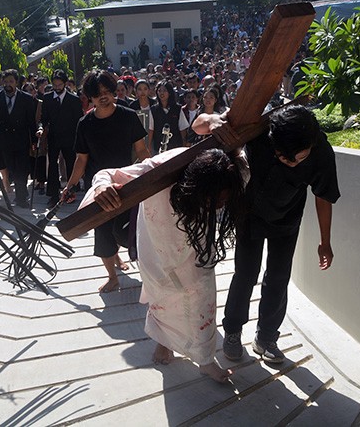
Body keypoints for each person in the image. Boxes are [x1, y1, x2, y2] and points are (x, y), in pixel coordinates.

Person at [82, 148, 246, 382]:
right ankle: (164, 342)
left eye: (223, 200)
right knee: (161, 299)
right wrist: (101, 187)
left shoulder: (227, 170)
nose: (219, 205)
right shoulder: (160, 169)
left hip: (196, 245)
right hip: (157, 244)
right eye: (215, 200)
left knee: (204, 303)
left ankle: (206, 360)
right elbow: (107, 174)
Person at [194, 104, 340, 364]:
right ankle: (233, 331)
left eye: (298, 158)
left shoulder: (321, 154)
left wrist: (325, 242)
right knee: (246, 273)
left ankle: (267, 337)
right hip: (249, 212)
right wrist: (215, 120)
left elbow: (323, 196)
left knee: (278, 277)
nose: (291, 162)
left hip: (287, 218)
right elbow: (200, 125)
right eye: (284, 157)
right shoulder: (259, 131)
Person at [61, 70, 150, 292]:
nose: (104, 96)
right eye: (98, 93)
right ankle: (112, 276)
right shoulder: (85, 124)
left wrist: (153, 173)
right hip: (99, 189)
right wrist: (70, 186)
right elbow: (81, 160)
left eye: (107, 91)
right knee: (102, 231)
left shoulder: (129, 116)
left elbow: (141, 151)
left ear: (114, 91)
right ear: (89, 97)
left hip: (126, 183)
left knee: (127, 228)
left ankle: (130, 262)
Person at [0, 69, 38, 208]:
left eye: (11, 81)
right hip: (5, 141)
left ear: (16, 82)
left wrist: (34, 141)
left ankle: (21, 197)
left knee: (21, 170)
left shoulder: (26, 99)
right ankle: (21, 192)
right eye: (5, 82)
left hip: (21, 140)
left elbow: (31, 122)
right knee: (11, 168)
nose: (8, 84)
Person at [40, 70, 84, 209]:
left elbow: (79, 120)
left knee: (71, 163)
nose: (57, 87)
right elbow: (43, 118)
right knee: (52, 164)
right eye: (55, 85)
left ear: (65, 84)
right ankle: (53, 194)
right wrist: (41, 129)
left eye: (60, 85)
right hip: (53, 136)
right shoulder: (47, 98)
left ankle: (70, 192)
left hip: (70, 137)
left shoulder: (74, 99)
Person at [147, 80, 189, 153]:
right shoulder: (153, 110)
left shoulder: (177, 109)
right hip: (159, 148)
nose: (161, 93)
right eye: (159, 91)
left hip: (175, 147)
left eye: (164, 90)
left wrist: (184, 145)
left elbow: (183, 129)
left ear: (169, 93)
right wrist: (149, 146)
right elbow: (151, 129)